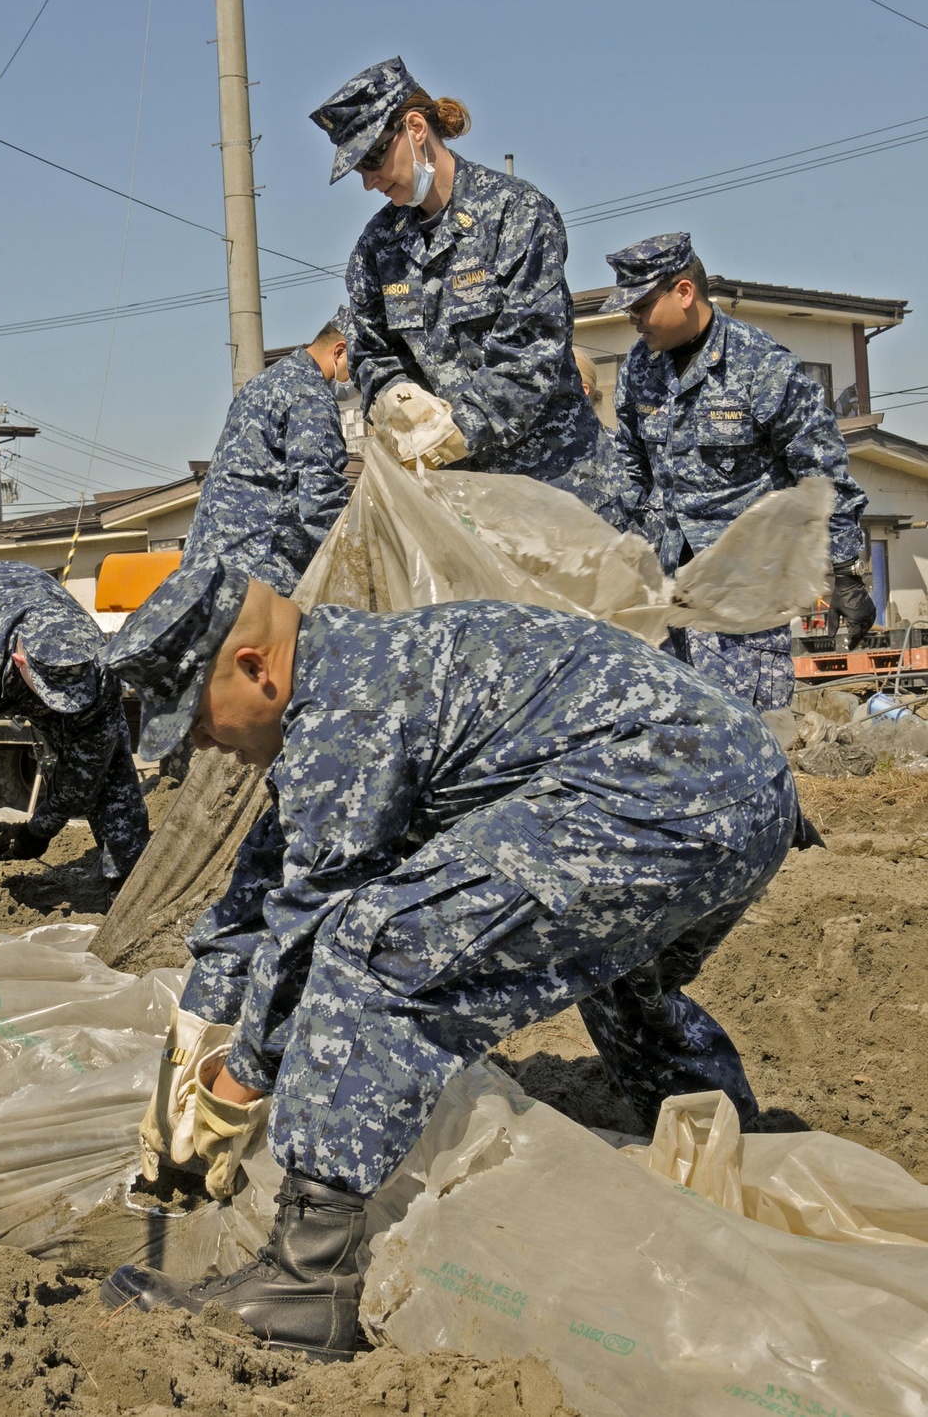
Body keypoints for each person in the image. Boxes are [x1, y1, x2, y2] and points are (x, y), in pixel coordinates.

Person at [100, 556, 805, 1361]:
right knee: (608, 967)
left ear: (255, 669)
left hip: (668, 794)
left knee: (377, 948)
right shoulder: (346, 676)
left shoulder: (346, 715)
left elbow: (305, 931)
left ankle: (304, 1281)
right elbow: (260, 891)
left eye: (197, 721)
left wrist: (237, 1087)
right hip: (743, 792)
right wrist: (193, 1044)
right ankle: (727, 1160)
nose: (203, 745)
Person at [309, 57, 622, 523]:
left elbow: (531, 350)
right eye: (359, 170)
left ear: (415, 128)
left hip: (558, 492)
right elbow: (372, 351)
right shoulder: (377, 248)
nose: (369, 181)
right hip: (463, 510)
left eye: (373, 159)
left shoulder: (515, 213)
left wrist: (456, 430)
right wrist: (396, 393)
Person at [600, 232, 875, 710]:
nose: (633, 320)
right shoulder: (639, 368)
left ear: (684, 292)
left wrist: (845, 569)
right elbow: (630, 465)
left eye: (641, 305)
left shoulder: (759, 366)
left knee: (748, 744)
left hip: (741, 600)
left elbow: (822, 469)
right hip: (666, 593)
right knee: (674, 746)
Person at [0, 562, 148, 878]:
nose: (65, 706)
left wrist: (42, 827)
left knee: (113, 763)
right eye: (53, 694)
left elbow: (92, 761)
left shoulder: (99, 665)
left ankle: (126, 875)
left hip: (26, 602)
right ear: (20, 662)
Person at [183, 308, 352, 595]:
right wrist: (361, 564)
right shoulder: (311, 395)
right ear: (339, 352)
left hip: (203, 570)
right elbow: (320, 502)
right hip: (259, 577)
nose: (357, 381)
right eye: (356, 368)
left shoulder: (263, 382)